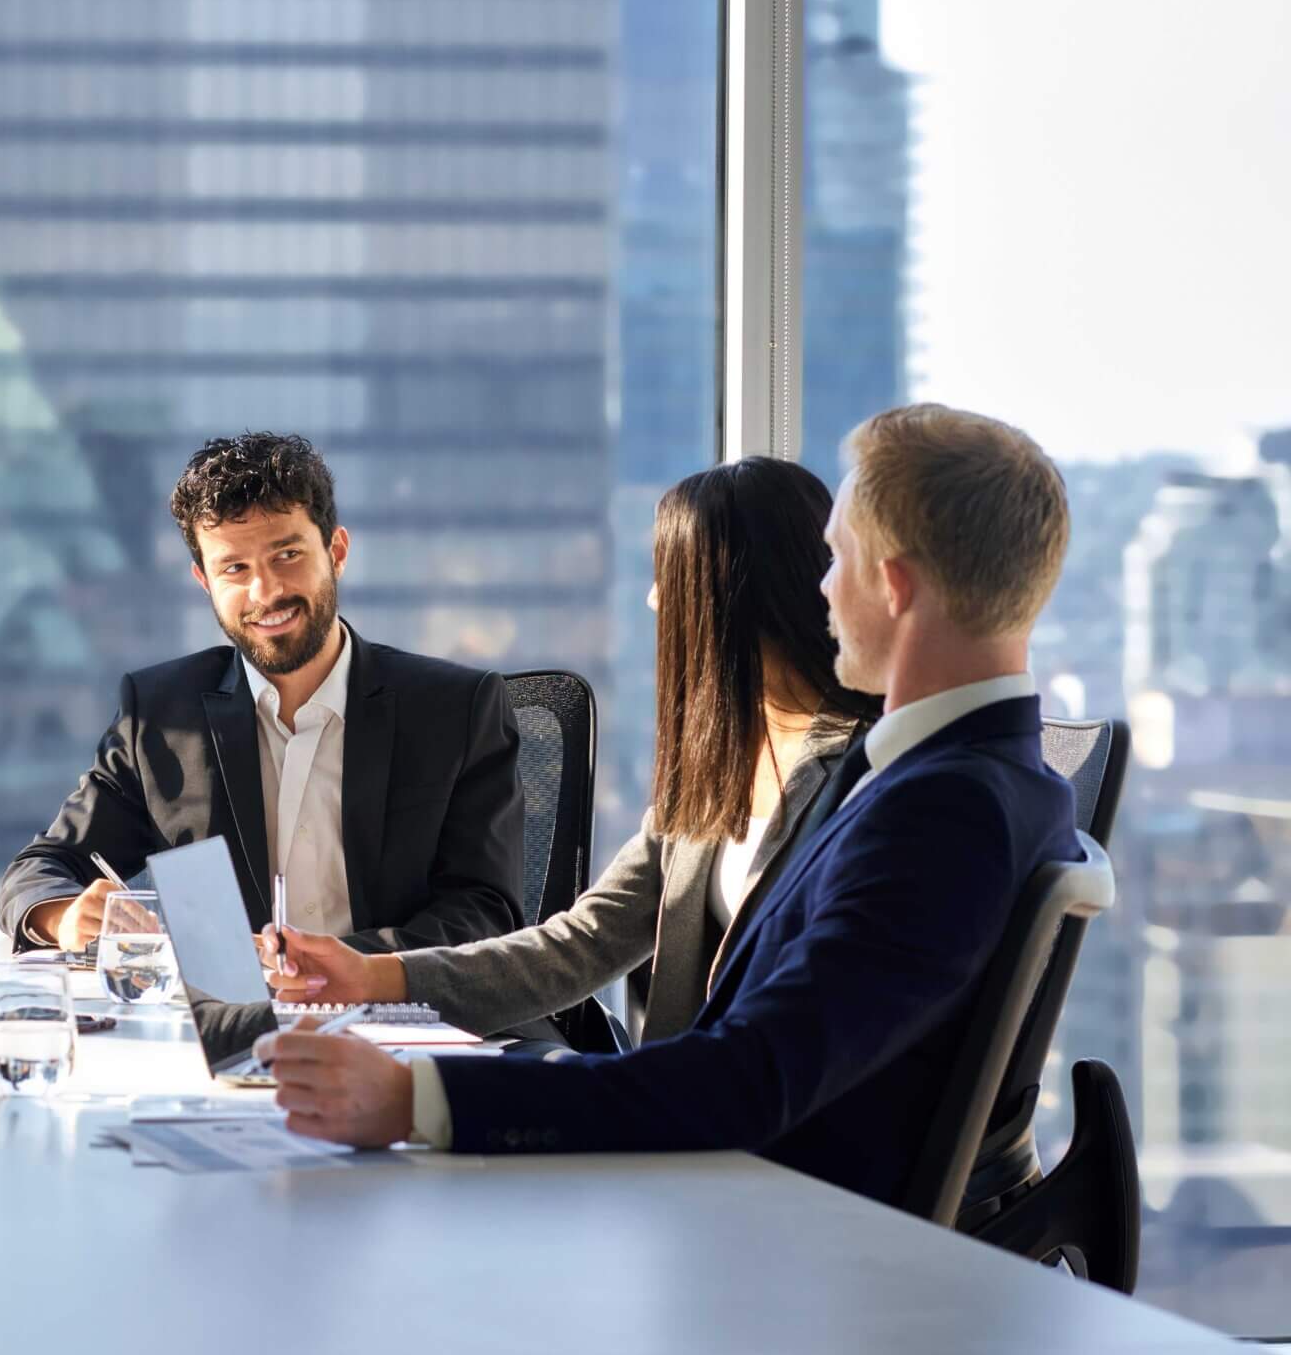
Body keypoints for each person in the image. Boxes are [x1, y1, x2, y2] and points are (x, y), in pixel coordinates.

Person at [260, 404, 1081, 1208]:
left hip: (773, 1228)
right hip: (733, 1185)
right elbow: (610, 955)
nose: (822, 588)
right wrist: (380, 979)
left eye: (836, 559)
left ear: (892, 586)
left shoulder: (936, 813)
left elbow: (751, 1079)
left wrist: (418, 1101)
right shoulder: (936, 776)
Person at [268, 457, 878, 1045]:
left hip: (767, 1122)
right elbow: (583, 943)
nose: (655, 600)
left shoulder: (868, 773)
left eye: (669, 575)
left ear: (726, 595)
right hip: (685, 1105)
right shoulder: (714, 767)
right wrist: (371, 975)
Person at [0, 431, 524, 957]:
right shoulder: (161, 716)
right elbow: (40, 870)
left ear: (336, 552)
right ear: (205, 581)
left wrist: (344, 966)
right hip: (241, 1027)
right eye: (235, 569)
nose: (265, 592)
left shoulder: (457, 709)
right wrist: (63, 915)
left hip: (410, 1022)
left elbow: (485, 914)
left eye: (287, 554)